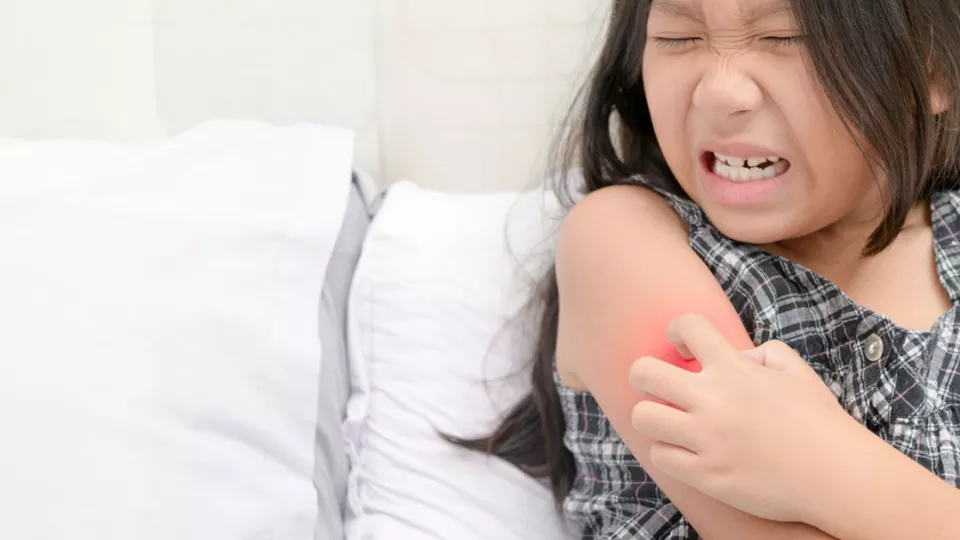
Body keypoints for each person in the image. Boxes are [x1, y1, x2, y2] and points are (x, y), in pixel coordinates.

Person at [449, 0, 960, 538]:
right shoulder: (623, 241)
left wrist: (823, 460)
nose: (719, 91)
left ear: (932, 72)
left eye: (786, 37)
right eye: (678, 38)